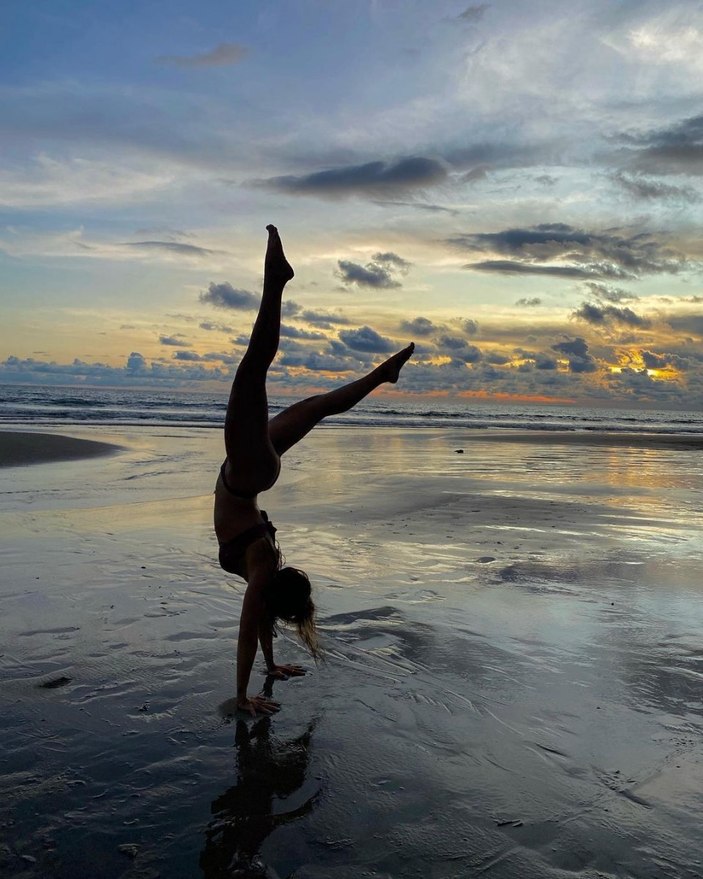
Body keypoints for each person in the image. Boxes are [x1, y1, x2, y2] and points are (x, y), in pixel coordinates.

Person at [214, 225, 414, 716]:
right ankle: (276, 284)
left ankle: (377, 374)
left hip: (252, 476)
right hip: (245, 475)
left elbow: (255, 623)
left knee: (314, 403)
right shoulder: (263, 570)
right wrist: (246, 690)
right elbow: (251, 627)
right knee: (256, 371)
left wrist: (264, 675)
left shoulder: (265, 572)